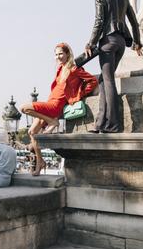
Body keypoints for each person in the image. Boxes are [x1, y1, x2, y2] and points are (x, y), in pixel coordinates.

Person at [20, 42, 97, 176]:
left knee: (23, 108)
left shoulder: (74, 69)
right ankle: (40, 162)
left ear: (68, 54)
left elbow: (92, 81)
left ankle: (52, 122)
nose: (58, 57)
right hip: (50, 102)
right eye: (56, 55)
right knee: (32, 132)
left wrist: (78, 95)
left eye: (61, 53)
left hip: (54, 106)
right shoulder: (60, 69)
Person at [85, 0, 143, 133]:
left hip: (108, 43)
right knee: (104, 80)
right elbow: (134, 23)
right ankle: (100, 124)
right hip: (121, 43)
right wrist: (137, 43)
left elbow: (99, 21)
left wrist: (90, 43)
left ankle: (113, 124)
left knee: (108, 81)